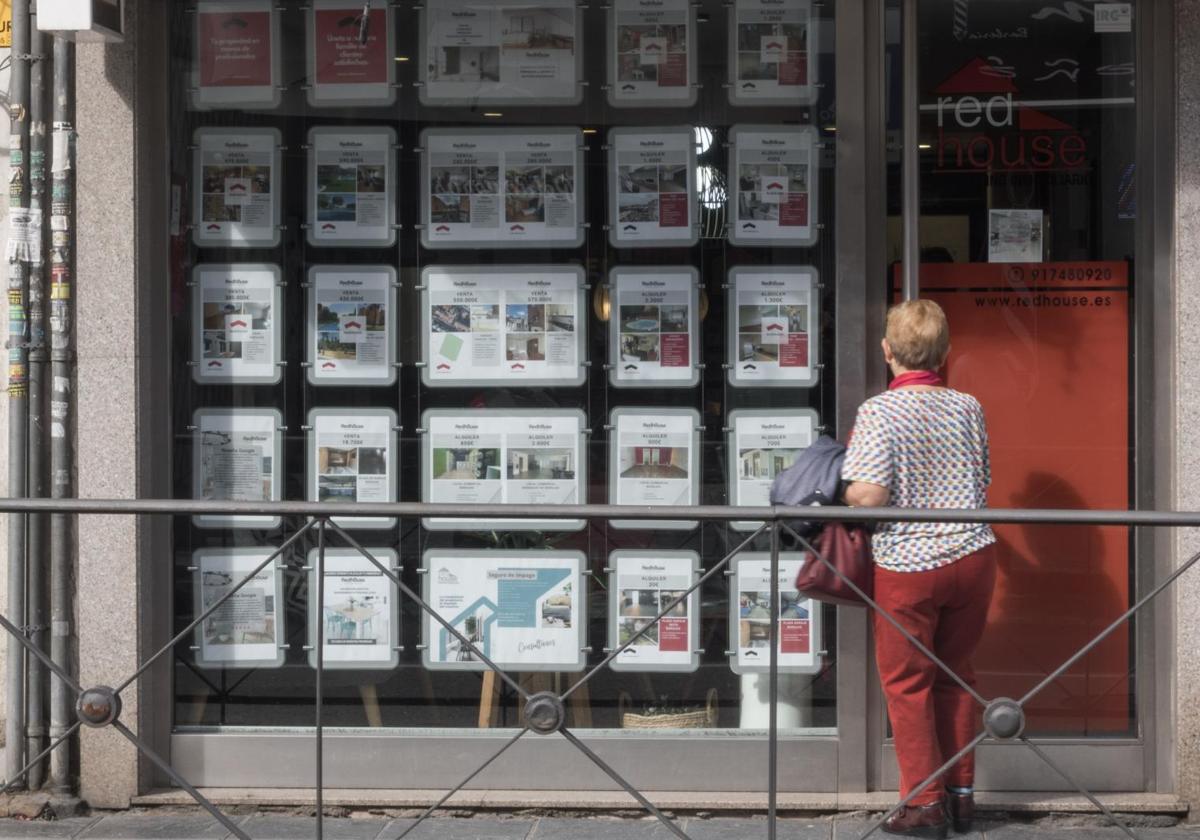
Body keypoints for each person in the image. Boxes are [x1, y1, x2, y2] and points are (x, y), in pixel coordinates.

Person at [841, 300, 997, 838]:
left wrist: (842, 486)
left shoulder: (879, 411)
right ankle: (961, 797)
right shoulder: (968, 405)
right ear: (946, 353)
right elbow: (983, 477)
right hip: (973, 557)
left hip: (907, 564)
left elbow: (870, 494)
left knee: (907, 684)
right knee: (957, 678)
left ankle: (924, 803)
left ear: (887, 352)